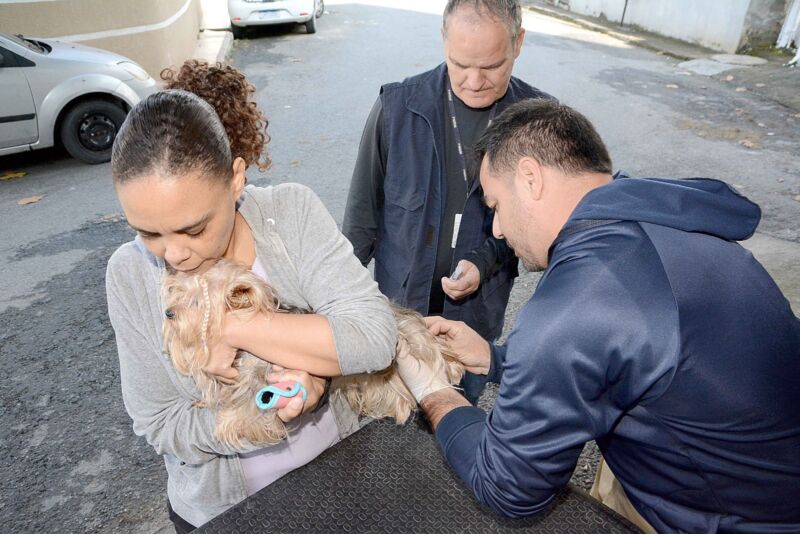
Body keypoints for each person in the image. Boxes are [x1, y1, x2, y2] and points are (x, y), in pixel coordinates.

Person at [396, 98, 800, 532]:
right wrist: (494, 360)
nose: (496, 229)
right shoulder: (655, 218)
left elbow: (508, 489)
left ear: (530, 178)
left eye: (494, 206)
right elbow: (636, 354)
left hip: (731, 518)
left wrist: (433, 389)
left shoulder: (584, 299)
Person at [106, 89, 397, 531]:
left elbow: (373, 336)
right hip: (223, 515)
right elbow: (161, 421)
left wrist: (234, 327)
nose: (174, 254)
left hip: (339, 476)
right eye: (148, 233)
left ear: (236, 178)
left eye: (194, 228)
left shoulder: (290, 213)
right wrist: (264, 410)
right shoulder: (128, 275)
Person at [342, 0, 552, 404]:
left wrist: (483, 260)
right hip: (399, 323)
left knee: (457, 430)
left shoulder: (538, 124)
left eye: (491, 66)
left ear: (518, 43)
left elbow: (540, 228)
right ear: (444, 41)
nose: (474, 81)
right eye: (460, 64)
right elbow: (360, 222)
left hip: (472, 329)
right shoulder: (397, 108)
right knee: (389, 434)